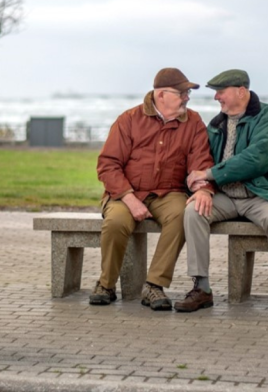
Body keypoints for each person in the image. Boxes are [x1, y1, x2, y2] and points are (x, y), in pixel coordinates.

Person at [174, 69, 268, 313]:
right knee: (193, 212)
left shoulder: (266, 116)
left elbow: (257, 158)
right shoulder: (216, 124)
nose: (216, 98)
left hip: (259, 195)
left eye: (221, 92)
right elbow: (202, 158)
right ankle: (201, 287)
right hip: (224, 197)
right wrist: (203, 188)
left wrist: (210, 174)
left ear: (241, 91)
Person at [91, 67, 215, 311]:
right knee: (115, 222)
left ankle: (154, 285)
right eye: (182, 93)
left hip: (169, 193)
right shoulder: (129, 119)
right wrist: (128, 198)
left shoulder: (193, 122)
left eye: (188, 93)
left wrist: (202, 189)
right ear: (161, 95)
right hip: (126, 193)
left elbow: (201, 163)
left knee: (183, 215)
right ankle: (106, 285)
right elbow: (108, 165)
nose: (187, 97)